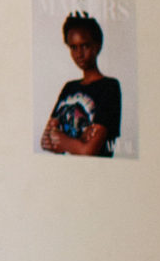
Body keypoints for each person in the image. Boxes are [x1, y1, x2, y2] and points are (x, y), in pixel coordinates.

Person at [40, 12, 123, 157]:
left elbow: (89, 151)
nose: (79, 54)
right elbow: (45, 141)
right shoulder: (69, 87)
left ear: (97, 46)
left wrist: (64, 140)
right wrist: (80, 140)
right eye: (73, 47)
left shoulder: (109, 87)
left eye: (84, 46)